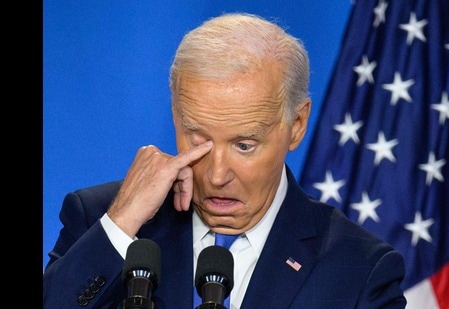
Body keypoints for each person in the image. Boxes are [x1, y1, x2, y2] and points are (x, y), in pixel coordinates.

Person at [43, 12, 407, 309]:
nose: (216, 176)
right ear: (175, 115)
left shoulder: (358, 269)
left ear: (296, 125)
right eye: (198, 140)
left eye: (244, 145)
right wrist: (121, 223)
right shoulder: (100, 220)